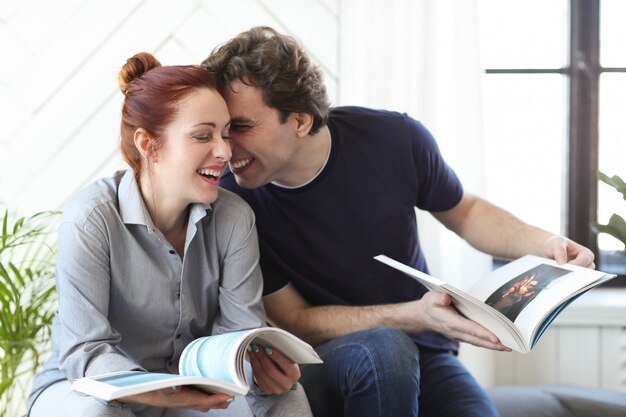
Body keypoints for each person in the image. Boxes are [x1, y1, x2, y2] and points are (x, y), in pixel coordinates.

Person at [201, 26, 596, 417]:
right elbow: (295, 321)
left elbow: (466, 212)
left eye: (241, 127)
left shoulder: (394, 138)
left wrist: (546, 244)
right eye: (219, 129)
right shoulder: (234, 203)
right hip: (320, 361)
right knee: (385, 350)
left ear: (301, 120)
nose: (224, 147)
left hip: (423, 352)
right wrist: (414, 315)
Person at [27, 52, 313, 417]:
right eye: (202, 135)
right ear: (148, 145)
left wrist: (258, 369)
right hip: (85, 390)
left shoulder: (234, 218)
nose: (225, 150)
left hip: (191, 392)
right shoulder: (91, 219)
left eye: (225, 134)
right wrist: (161, 392)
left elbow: (238, 334)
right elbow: (84, 352)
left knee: (286, 397)